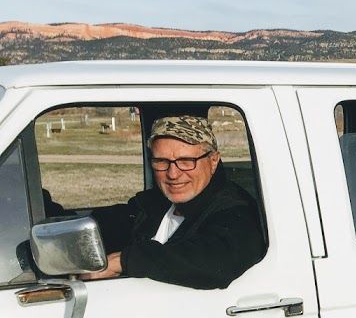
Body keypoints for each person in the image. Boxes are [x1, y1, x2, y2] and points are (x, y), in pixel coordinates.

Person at [83, 115, 265, 289]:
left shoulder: (237, 212)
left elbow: (213, 262)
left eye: (186, 161)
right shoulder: (156, 203)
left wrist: (124, 261)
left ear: (213, 161)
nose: (173, 174)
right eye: (161, 161)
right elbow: (113, 223)